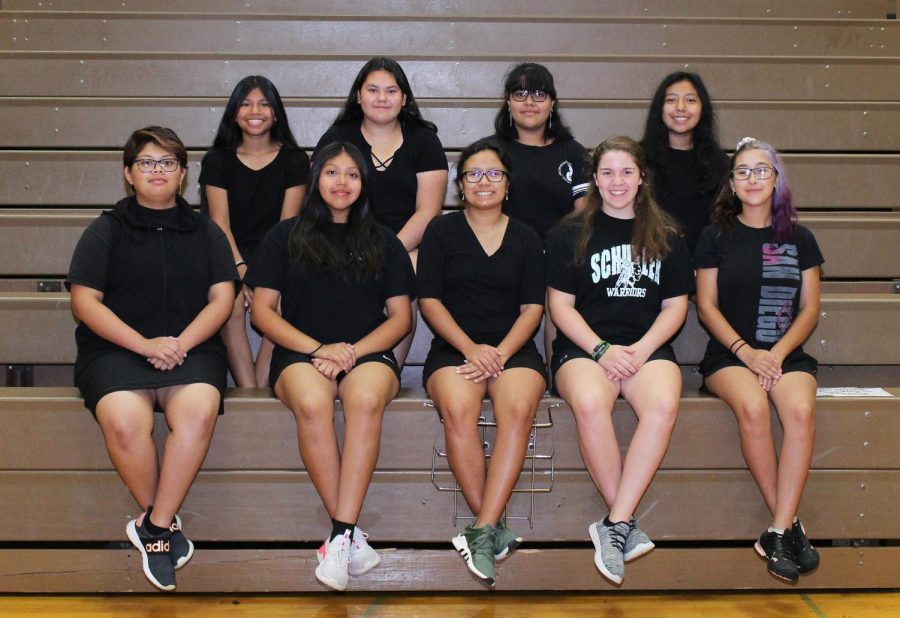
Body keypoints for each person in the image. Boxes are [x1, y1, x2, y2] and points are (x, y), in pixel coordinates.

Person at [66, 126, 238, 591]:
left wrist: (179, 343)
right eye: (146, 162)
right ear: (128, 173)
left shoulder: (206, 231)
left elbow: (223, 299)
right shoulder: (105, 230)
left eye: (167, 162)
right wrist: (144, 345)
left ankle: (155, 528)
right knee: (124, 420)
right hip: (116, 352)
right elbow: (85, 303)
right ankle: (162, 527)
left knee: (199, 410)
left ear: (183, 174)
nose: (157, 170)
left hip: (192, 349)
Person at [246, 141, 415, 592]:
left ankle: (340, 534)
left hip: (366, 353)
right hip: (302, 352)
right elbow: (262, 312)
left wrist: (352, 352)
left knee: (362, 398)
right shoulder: (283, 236)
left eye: (353, 175)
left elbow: (402, 317)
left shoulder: (385, 240)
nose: (342, 183)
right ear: (316, 179)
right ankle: (348, 536)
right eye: (332, 173)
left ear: (364, 183)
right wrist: (319, 347)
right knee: (312, 400)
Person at [546, 136, 693, 585]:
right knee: (591, 403)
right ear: (594, 178)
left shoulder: (667, 233)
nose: (617, 181)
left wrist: (642, 351)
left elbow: (675, 306)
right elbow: (561, 306)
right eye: (607, 172)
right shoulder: (569, 233)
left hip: (645, 348)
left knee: (664, 405)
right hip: (585, 348)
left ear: (642, 177)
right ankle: (623, 524)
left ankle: (613, 524)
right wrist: (602, 350)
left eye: (626, 172)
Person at [418, 139, 546, 587]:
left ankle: (481, 529)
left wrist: (501, 354)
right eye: (473, 174)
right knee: (458, 407)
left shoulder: (527, 236)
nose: (484, 182)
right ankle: (490, 527)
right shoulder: (440, 231)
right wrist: (472, 348)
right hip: (455, 348)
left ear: (508, 184)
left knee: (517, 409)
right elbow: (428, 300)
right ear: (459, 184)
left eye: (494, 174)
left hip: (515, 350)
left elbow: (533, 308)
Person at [695, 137, 823, 583]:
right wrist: (747, 353)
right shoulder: (714, 237)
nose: (752, 179)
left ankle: (776, 530)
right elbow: (706, 306)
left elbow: (809, 309)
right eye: (743, 172)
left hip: (785, 354)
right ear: (731, 183)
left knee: (801, 411)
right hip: (730, 356)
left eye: (762, 170)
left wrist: (776, 354)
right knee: (752, 406)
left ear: (776, 180)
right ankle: (787, 527)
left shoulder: (800, 238)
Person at [314, 57, 448, 368]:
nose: (381, 98)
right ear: (358, 96)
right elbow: (320, 197)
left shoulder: (424, 140)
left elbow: (428, 210)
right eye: (373, 89)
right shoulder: (338, 137)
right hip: (343, 237)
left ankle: (390, 369)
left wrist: (388, 253)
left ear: (404, 99)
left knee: (407, 272)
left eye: (391, 91)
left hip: (407, 243)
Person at [200, 75, 310, 387]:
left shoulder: (294, 159)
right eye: (246, 104)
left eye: (264, 104)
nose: (255, 111)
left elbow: (286, 225)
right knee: (230, 301)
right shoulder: (217, 160)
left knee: (277, 301)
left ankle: (262, 388)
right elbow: (219, 222)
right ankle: (248, 389)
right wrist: (241, 268)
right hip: (227, 254)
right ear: (234, 112)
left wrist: (261, 274)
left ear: (276, 113)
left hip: (280, 253)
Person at [490, 62, 590, 241]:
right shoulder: (488, 152)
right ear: (508, 101)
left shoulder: (574, 153)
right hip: (501, 256)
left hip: (560, 256)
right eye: (520, 94)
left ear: (552, 102)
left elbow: (585, 215)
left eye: (539, 94)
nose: (529, 102)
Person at [640, 71, 729, 256]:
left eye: (690, 100)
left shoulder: (719, 163)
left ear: (702, 108)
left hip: (702, 267)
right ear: (660, 108)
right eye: (671, 100)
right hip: (648, 264)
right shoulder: (638, 158)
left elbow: (723, 223)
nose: (680, 107)